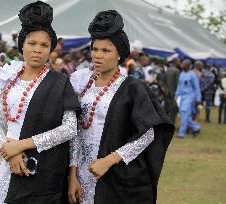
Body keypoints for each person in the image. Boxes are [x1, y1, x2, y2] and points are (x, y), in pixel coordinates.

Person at [68, 10, 174, 204]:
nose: (98, 56)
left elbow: (147, 134)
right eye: (95, 49)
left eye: (106, 50)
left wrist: (108, 161)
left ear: (119, 55)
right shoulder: (83, 85)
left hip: (115, 175)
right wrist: (72, 174)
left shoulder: (134, 88)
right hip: (82, 174)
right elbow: (75, 131)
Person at [0, 2, 80, 204]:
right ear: (22, 44)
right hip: (8, 163)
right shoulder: (8, 79)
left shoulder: (59, 82)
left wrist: (22, 145)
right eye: (32, 43)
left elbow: (69, 128)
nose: (37, 50)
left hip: (44, 168)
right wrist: (8, 152)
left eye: (44, 45)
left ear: (51, 50)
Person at [175, 59, 201, 138]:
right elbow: (179, 86)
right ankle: (196, 127)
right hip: (181, 97)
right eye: (182, 64)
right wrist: (176, 95)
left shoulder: (192, 75)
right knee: (184, 115)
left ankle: (181, 134)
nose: (182, 66)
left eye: (184, 65)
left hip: (189, 97)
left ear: (189, 66)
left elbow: (197, 87)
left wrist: (198, 98)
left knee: (184, 112)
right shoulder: (181, 74)